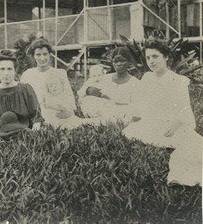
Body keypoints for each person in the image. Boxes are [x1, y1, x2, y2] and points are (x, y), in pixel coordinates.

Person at [122, 40, 202, 186]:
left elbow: (184, 109)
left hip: (171, 122)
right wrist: (133, 118)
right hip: (151, 122)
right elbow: (140, 105)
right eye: (148, 58)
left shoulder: (178, 80)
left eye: (155, 57)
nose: (151, 61)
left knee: (191, 144)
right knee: (129, 131)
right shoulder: (147, 78)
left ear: (165, 57)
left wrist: (176, 125)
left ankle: (182, 176)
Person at [0, 51, 42, 130]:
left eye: (9, 69)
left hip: (24, 132)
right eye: (2, 69)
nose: (6, 73)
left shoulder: (25, 89)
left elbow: (36, 115)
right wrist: (1, 131)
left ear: (15, 71)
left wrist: (34, 130)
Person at [21, 38, 76, 123]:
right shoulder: (27, 75)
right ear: (33, 56)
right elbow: (23, 100)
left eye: (45, 54)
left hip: (57, 111)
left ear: (50, 54)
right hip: (36, 115)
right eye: (38, 55)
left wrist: (68, 111)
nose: (42, 58)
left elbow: (69, 97)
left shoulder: (59, 73)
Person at [82, 47, 139, 124]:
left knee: (128, 112)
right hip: (104, 109)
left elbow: (135, 105)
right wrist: (88, 90)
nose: (119, 64)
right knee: (88, 100)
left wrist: (114, 103)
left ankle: (103, 120)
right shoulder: (105, 78)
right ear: (112, 62)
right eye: (115, 61)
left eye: (123, 61)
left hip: (122, 111)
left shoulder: (135, 82)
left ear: (129, 62)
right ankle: (102, 119)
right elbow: (83, 90)